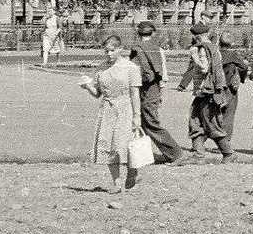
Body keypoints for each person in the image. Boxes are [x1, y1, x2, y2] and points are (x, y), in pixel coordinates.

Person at [78, 36, 143, 193]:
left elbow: (135, 93)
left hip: (125, 108)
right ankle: (116, 182)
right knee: (107, 145)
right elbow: (97, 93)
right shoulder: (102, 69)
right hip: (107, 110)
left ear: (120, 49)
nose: (108, 54)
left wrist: (137, 116)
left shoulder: (131, 68)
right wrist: (87, 86)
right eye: (106, 51)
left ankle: (132, 171)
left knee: (123, 144)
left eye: (112, 50)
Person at [129, 21, 183, 165]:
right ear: (152, 33)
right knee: (147, 122)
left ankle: (175, 154)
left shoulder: (136, 49)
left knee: (150, 122)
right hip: (154, 88)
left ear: (138, 33)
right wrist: (161, 91)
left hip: (144, 88)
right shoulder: (157, 49)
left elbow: (134, 71)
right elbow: (163, 74)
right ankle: (148, 154)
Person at [183, 23, 234, 162]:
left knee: (212, 124)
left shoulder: (202, 49)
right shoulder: (214, 48)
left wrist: (194, 55)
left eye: (193, 37)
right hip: (204, 92)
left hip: (207, 92)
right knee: (195, 121)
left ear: (197, 36)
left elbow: (204, 68)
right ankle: (198, 154)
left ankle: (228, 153)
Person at [218, 34, 250, 141]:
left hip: (215, 86)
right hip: (229, 88)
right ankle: (225, 142)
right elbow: (244, 66)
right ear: (231, 44)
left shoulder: (215, 54)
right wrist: (240, 77)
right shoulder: (232, 55)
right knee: (228, 114)